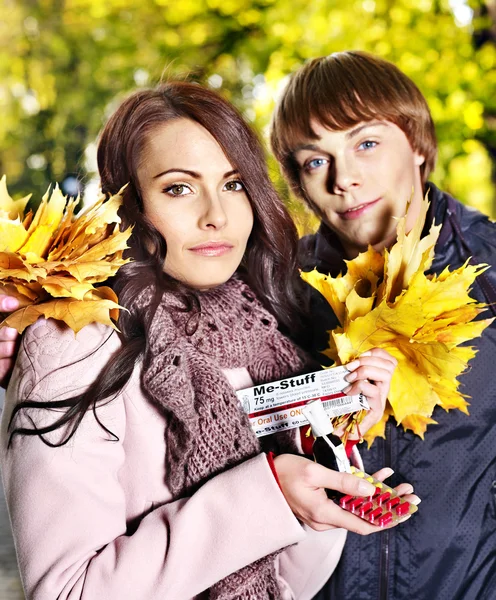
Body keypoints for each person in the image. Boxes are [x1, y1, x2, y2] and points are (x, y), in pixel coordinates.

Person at [0, 82, 410, 600]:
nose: (216, 214)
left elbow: (287, 588)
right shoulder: (75, 340)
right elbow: (68, 592)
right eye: (178, 187)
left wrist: (324, 460)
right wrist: (268, 493)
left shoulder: (265, 336)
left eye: (235, 184)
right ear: (128, 205)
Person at [270, 50, 496, 600]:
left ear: (417, 144)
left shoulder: (491, 269)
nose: (344, 178)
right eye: (314, 160)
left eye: (365, 143)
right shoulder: (275, 289)